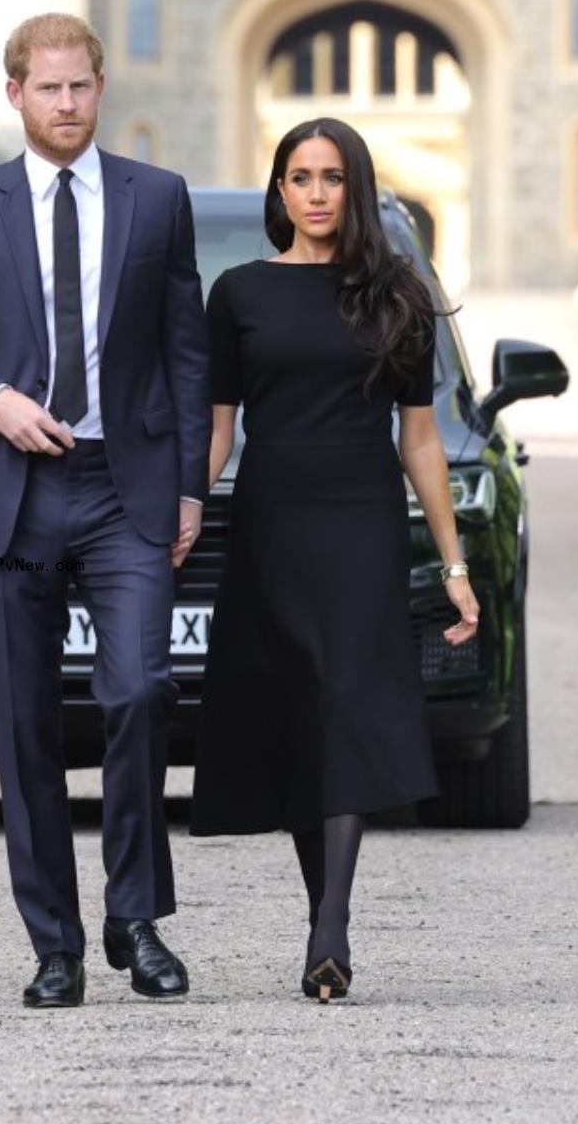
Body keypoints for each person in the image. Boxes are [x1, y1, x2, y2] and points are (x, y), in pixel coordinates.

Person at [0, 13, 209, 1008]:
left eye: (81, 87)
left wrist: (192, 480)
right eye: (49, 88)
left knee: (139, 690)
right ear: (16, 95)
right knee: (23, 726)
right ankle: (55, 945)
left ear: (101, 89)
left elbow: (186, 350)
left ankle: (135, 916)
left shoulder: (157, 199)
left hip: (127, 487)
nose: (66, 104)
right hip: (11, 488)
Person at [191, 116, 479, 1003]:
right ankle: (325, 917)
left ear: (354, 187)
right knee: (296, 712)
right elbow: (217, 429)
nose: (315, 193)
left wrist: (455, 567)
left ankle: (331, 925)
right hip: (272, 518)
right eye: (299, 177)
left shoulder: (395, 291)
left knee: (350, 700)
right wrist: (184, 509)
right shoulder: (238, 293)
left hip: (361, 520)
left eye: (331, 177)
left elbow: (422, 440)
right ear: (280, 191)